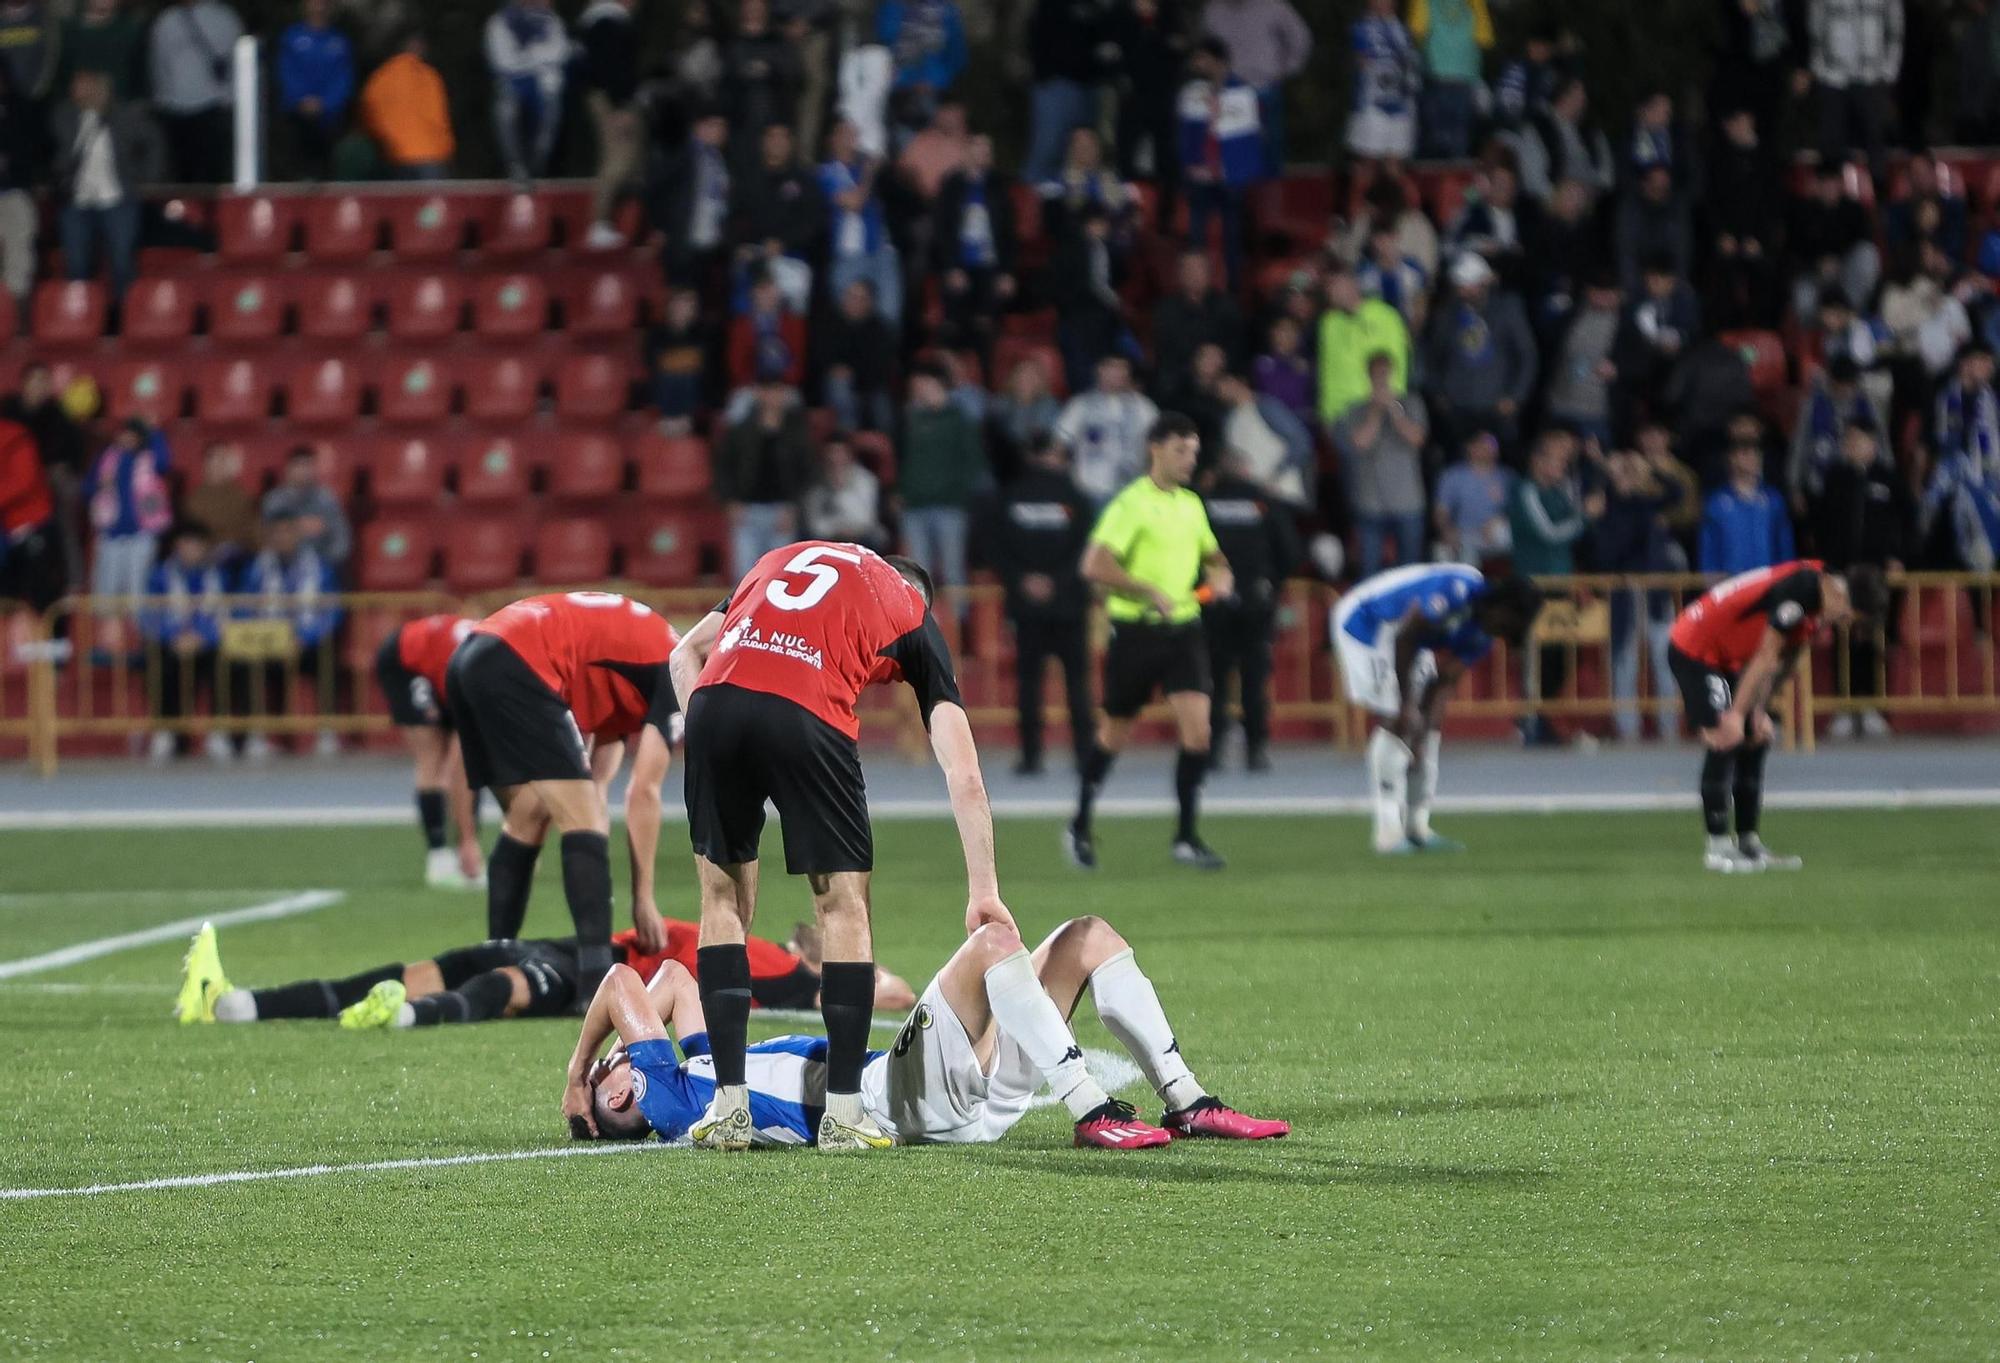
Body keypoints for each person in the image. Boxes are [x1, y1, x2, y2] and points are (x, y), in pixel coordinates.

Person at [668, 543, 1012, 1151]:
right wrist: (983, 889)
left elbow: (683, 654)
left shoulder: (783, 557)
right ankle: (845, 1114)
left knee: (721, 902)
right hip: (806, 710)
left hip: (714, 703)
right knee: (842, 905)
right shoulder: (909, 606)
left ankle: (727, 1109)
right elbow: (965, 773)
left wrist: (711, 755)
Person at [565, 912, 1289, 1148]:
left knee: (1086, 937)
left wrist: (605, 1064)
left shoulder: (702, 1070)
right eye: (620, 1105)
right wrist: (579, 1074)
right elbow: (624, 983)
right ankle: (1091, 1108)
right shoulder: (674, 1105)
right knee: (989, 943)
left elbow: (673, 982)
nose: (627, 1087)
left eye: (614, 1083)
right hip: (891, 1099)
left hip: (951, 1096)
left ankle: (1187, 1100)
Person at [445, 591, 678, 1001]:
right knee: (584, 820)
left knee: (528, 816)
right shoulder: (681, 674)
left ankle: (495, 957)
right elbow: (644, 791)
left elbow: (607, 736)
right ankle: (596, 984)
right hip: (519, 663)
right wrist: (643, 897)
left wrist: (594, 795)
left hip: (474, 655)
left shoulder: (650, 653)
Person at [173, 916, 909, 1028]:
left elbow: (879, 989)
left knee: (511, 982)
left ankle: (408, 1013)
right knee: (450, 963)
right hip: (591, 948)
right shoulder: (772, 957)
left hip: (602, 972)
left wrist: (889, 986)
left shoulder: (788, 973)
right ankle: (242, 1003)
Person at [1067, 413, 1235, 872]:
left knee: (1198, 731)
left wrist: (1220, 574)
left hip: (1184, 629)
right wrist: (1145, 590)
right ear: (1155, 448)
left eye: (1194, 453)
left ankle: (1186, 836)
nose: (1189, 461)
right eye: (1181, 451)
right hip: (1137, 632)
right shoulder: (1130, 504)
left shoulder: (1192, 505)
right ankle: (1080, 823)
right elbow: (1093, 566)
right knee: (1114, 733)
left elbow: (1215, 556)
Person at [1667, 560, 1887, 871]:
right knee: (1725, 735)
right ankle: (1716, 848)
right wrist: (1737, 714)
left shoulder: (1815, 606)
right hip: (1695, 646)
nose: (1845, 621)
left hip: (1727, 656)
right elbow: (1766, 656)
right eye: (1848, 614)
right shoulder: (1800, 592)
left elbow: (1782, 662)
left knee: (1758, 736)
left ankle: (1748, 843)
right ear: (1840, 596)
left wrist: (1758, 712)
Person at [1332, 563, 1542, 853]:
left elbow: (1443, 684)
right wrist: (1407, 705)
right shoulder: (1456, 590)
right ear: (1500, 607)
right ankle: (1387, 833)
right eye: (1506, 626)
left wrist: (1423, 734)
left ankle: (1418, 827)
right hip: (1368, 621)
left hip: (1407, 638)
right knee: (1397, 718)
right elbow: (1405, 637)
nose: (1501, 634)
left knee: (1428, 729)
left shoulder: (1484, 631)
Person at [987, 433, 1092, 776]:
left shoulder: (1008, 497)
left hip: (1027, 606)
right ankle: (1085, 755)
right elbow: (1088, 549)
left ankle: (1031, 757)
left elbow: (996, 548)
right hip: (1069, 605)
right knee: (1077, 682)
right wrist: (1058, 583)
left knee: (1029, 683)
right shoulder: (1078, 498)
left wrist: (1022, 580)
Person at [1810, 416, 1910, 739]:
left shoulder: (1889, 480)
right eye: (1849, 441)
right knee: (1843, 638)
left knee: (1873, 638)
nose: (1854, 446)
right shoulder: (1835, 479)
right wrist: (1828, 566)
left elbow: (1906, 522)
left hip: (1875, 576)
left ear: (1874, 445)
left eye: (1860, 440)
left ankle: (1872, 707)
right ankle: (1844, 707)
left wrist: (1897, 557)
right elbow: (1821, 526)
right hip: (1841, 572)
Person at [1202, 449, 1299, 771]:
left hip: (1214, 600)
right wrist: (1272, 584)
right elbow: (1289, 551)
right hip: (1256, 599)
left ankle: (1212, 750)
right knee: (1254, 680)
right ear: (1245, 469)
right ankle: (1256, 749)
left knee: (1214, 679)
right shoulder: (1263, 501)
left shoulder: (1203, 502)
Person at [375, 614, 483, 889]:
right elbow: (457, 774)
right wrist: (468, 841)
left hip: (444, 665)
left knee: (472, 764)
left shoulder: (491, 670)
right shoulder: (479, 681)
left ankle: (465, 855)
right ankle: (440, 857)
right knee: (433, 758)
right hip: (406, 662)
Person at [52, 68, 161, 303]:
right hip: (77, 201)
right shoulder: (64, 116)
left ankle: (123, 317)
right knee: (76, 265)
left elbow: (153, 143)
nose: (76, 90)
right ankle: (81, 316)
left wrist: (146, 178)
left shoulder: (125, 115)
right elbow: (57, 155)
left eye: (82, 84)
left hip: (117, 198)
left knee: (122, 262)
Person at [140, 520, 229, 763]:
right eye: (186, 544)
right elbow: (149, 615)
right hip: (172, 643)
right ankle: (166, 731)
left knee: (225, 664)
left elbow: (223, 614)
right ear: (177, 546)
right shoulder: (160, 575)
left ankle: (218, 732)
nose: (191, 549)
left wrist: (202, 636)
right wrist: (174, 636)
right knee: (159, 665)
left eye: (196, 545)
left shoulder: (215, 575)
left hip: (205, 644)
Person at [1333, 350, 1428, 576]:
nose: (1382, 379)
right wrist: (1375, 410)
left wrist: (1394, 410)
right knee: (1369, 572)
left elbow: (1417, 439)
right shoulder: (1355, 409)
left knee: (1409, 573)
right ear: (1369, 376)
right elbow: (1360, 443)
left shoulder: (1411, 403)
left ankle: (1409, 613)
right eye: (1377, 374)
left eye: (1386, 374)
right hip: (1370, 503)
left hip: (1408, 501)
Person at [1177, 36, 1261, 288]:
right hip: (1199, 178)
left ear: (1218, 61)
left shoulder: (1243, 93)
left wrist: (1239, 174)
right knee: (1197, 239)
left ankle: (1234, 290)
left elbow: (1247, 140)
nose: (1196, 65)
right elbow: (1185, 136)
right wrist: (1188, 170)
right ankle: (1197, 288)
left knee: (1232, 239)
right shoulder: (1190, 93)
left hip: (1230, 178)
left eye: (1202, 59)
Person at [898, 362, 987, 592]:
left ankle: (955, 626)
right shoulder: (911, 419)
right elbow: (904, 461)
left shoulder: (959, 420)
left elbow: (973, 462)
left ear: (937, 384)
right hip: (914, 506)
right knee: (916, 576)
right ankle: (921, 627)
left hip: (950, 506)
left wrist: (957, 492)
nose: (918, 390)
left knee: (953, 572)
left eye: (922, 384)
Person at [713, 373, 811, 578]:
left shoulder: (797, 432)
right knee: (744, 577)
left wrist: (794, 507)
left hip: (782, 512)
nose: (772, 397)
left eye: (777, 391)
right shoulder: (741, 430)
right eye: (767, 391)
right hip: (746, 511)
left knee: (782, 576)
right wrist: (730, 501)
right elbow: (724, 467)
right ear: (758, 393)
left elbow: (807, 472)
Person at [1203, 0, 1311, 172]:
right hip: (1228, 93)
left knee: (1269, 152)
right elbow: (1207, 50)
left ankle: (1271, 195)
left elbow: (1300, 38)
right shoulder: (1214, 10)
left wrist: (1285, 69)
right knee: (1232, 157)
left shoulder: (1273, 6)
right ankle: (1237, 196)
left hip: (1264, 87)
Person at [83, 418, 170, 621]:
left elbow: (165, 462)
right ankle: (104, 642)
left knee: (137, 591)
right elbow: (87, 488)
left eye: (133, 434)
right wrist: (99, 486)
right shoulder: (106, 458)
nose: (127, 437)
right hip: (111, 533)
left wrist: (154, 430)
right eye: (124, 433)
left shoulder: (150, 459)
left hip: (141, 533)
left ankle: (137, 643)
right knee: (105, 591)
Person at [147, 0, 241, 183]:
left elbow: (235, 61)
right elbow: (159, 65)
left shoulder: (224, 18)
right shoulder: (167, 20)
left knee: (210, 173)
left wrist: (230, 99)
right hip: (176, 108)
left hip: (212, 106)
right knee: (183, 173)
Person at [1809, 0, 1901, 185]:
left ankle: (1879, 196)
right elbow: (1815, 25)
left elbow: (1895, 27)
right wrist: (1819, 67)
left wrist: (1889, 69)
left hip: (1872, 76)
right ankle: (1831, 199)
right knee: (1831, 140)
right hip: (1833, 76)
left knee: (1876, 139)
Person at [1055, 353, 1158, 507]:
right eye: (1111, 367)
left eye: (1122, 368)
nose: (1117, 373)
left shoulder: (1144, 407)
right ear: (1099, 370)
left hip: (1133, 495)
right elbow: (1059, 445)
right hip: (1089, 495)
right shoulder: (1080, 405)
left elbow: (1160, 447)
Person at [1317, 264, 1409, 435]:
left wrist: (1394, 405)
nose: (1330, 292)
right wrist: (1325, 413)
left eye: (1335, 285)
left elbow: (1398, 364)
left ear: (1352, 284)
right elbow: (1327, 370)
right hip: (1339, 415)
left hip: (1374, 409)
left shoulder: (1386, 317)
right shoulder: (1328, 324)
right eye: (1327, 287)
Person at [484, 0, 568, 183]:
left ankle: (537, 167)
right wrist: (536, 59)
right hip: (513, 83)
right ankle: (516, 166)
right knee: (505, 111)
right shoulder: (500, 22)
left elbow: (560, 52)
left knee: (550, 119)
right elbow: (502, 60)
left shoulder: (551, 21)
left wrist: (529, 58)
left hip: (544, 84)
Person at [577, 0, 639, 247]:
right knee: (617, 159)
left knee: (625, 161)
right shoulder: (608, 22)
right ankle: (599, 223)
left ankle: (614, 222)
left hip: (605, 96)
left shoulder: (601, 22)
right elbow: (612, 66)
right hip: (611, 100)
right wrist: (620, 104)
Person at [358, 28, 452, 180]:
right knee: (431, 202)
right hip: (431, 154)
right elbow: (439, 116)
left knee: (402, 202)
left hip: (394, 155)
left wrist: (385, 142)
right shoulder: (429, 76)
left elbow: (368, 113)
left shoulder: (381, 77)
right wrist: (446, 149)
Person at [276, 0, 353, 181]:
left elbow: (343, 79)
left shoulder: (339, 41)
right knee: (296, 168)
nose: (318, 6)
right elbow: (286, 73)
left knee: (328, 170)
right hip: (296, 116)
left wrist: (325, 103)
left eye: (323, 2)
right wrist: (301, 100)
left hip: (329, 119)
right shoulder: (292, 38)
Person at [1408, 0, 1492, 161]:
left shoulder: (1475, 4)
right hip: (1435, 81)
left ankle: (1454, 181)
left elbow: (1484, 39)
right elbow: (1415, 34)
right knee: (1433, 140)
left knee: (1457, 141)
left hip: (1463, 82)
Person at [1344, 0, 1419, 180]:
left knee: (1394, 164)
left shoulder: (1403, 30)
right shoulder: (1361, 28)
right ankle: (1359, 206)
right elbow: (1360, 62)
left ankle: (1391, 205)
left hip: (1400, 104)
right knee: (1367, 162)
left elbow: (1411, 65)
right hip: (1371, 103)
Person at [1701, 437, 1795, 575]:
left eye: (1756, 454)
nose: (1752, 459)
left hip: (1766, 582)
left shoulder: (1773, 500)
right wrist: (1710, 579)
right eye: (1745, 454)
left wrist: (1787, 576)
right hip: (1730, 583)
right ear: (1732, 459)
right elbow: (1708, 547)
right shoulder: (1717, 503)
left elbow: (1785, 544)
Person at [259, 444, 350, 577]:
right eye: (299, 466)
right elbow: (264, 539)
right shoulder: (274, 500)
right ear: (288, 469)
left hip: (321, 567)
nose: (304, 471)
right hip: (280, 568)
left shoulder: (326, 499)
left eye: (308, 466)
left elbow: (342, 541)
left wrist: (324, 563)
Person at [818, 279, 896, 434]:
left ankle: (887, 449)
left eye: (861, 298)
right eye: (851, 296)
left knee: (883, 407)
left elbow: (879, 366)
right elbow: (820, 357)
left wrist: (853, 372)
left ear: (870, 303)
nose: (854, 302)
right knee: (840, 386)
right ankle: (847, 441)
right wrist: (836, 369)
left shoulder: (880, 329)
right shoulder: (828, 322)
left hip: (870, 384)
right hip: (834, 383)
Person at [1432, 428, 1513, 566]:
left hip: (1495, 534)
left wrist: (1500, 520)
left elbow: (1518, 510)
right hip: (1465, 534)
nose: (1489, 448)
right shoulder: (1452, 476)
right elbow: (1441, 511)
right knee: (1442, 550)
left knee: (1503, 532)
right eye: (1484, 443)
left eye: (1493, 444)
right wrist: (1447, 532)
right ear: (1470, 447)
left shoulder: (1507, 476)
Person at [801, 434, 887, 550]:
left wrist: (842, 492)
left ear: (849, 455)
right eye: (832, 454)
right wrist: (837, 529)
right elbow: (815, 524)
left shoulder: (865, 480)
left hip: (862, 534)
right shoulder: (817, 486)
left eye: (840, 453)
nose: (836, 459)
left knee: (876, 538)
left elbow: (866, 518)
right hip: (830, 537)